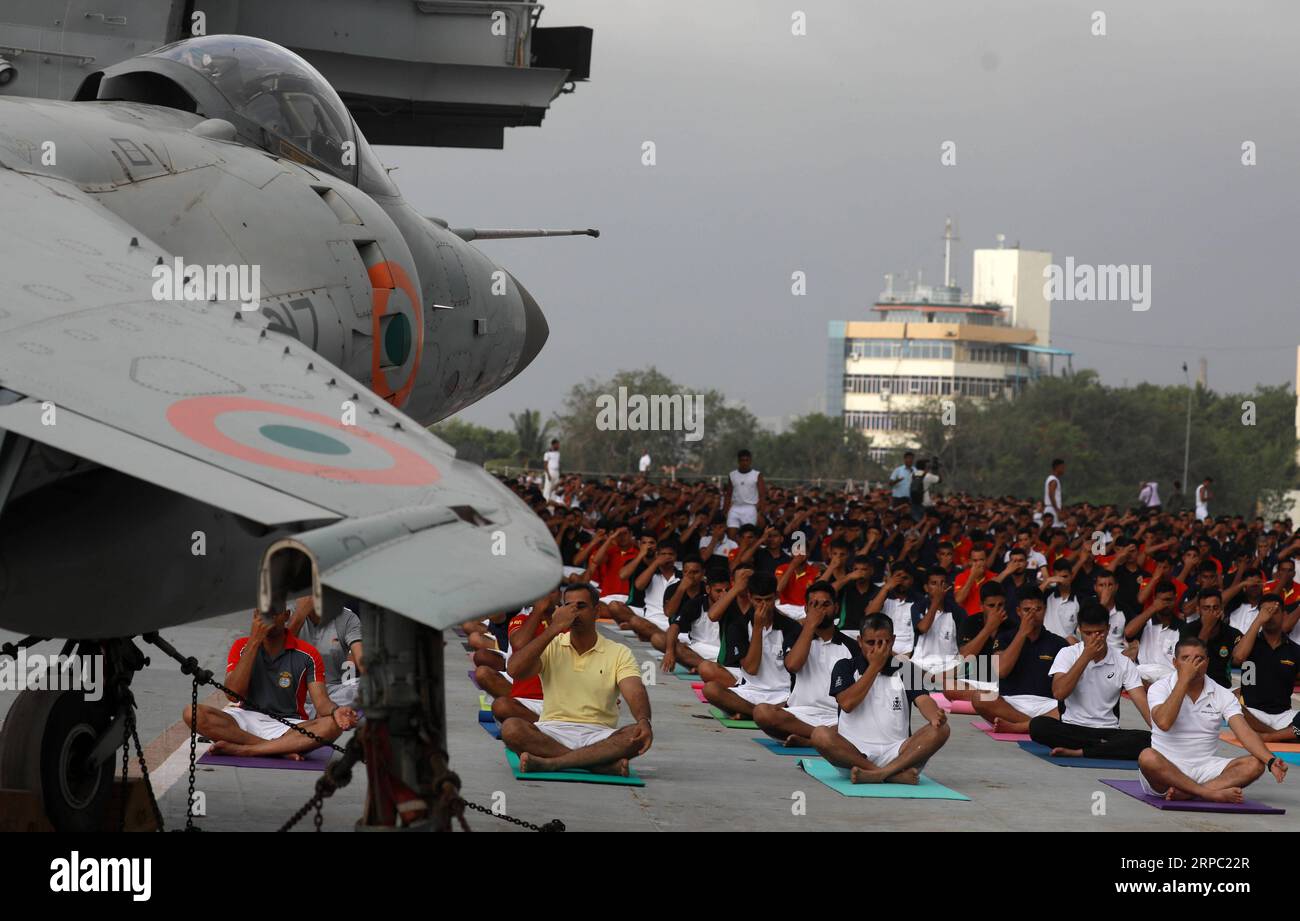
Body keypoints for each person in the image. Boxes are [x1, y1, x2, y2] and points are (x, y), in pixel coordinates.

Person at [501, 583, 652, 776]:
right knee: (511, 728)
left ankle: (552, 763)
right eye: (568, 606)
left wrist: (644, 720)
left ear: (597, 611)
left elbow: (634, 690)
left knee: (636, 734)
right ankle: (595, 764)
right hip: (552, 731)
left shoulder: (619, 651)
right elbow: (514, 670)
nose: (573, 612)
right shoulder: (551, 644)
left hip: (599, 734)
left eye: (580, 606)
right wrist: (554, 628)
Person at [183, 609, 358, 759]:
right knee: (192, 713)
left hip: (289, 724)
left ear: (286, 615)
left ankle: (248, 750)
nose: (268, 618)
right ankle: (278, 750)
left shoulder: (307, 653)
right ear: (255, 615)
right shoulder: (242, 646)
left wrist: (336, 711)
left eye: (274, 613)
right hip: (244, 718)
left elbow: (321, 703)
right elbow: (232, 694)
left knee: (332, 726)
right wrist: (254, 641)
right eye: (263, 613)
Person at [809, 613, 951, 784]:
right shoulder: (845, 666)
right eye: (870, 643)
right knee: (820, 734)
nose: (877, 649)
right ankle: (887, 775)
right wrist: (875, 667)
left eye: (883, 643)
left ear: (893, 640)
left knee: (942, 729)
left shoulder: (905, 668)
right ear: (860, 641)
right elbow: (847, 703)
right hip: (853, 758)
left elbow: (923, 700)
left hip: (898, 755)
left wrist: (935, 716)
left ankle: (880, 774)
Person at [1138, 637, 1285, 802]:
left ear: (1207, 662)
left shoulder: (1222, 694)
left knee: (1256, 764)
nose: (1193, 664)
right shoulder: (1160, 688)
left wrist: (1271, 760)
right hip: (1167, 770)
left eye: (1199, 659)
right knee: (1147, 757)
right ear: (1174, 662)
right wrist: (1184, 681)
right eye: (1186, 659)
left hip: (1205, 769)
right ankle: (1208, 793)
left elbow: (1244, 732)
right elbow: (1164, 723)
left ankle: (1190, 792)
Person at [1027, 602, 1153, 760]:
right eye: (1088, 633)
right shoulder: (1068, 654)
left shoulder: (1123, 662)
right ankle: (1101, 749)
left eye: (1099, 632)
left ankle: (1081, 752)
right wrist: (1086, 657)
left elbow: (1142, 703)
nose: (1094, 638)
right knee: (1038, 726)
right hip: (1072, 728)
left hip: (1108, 730)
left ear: (1108, 629)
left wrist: (1163, 737)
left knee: (1149, 739)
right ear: (1079, 630)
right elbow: (1059, 693)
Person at [752, 582, 856, 747]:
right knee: (762, 713)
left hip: (837, 719)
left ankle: (811, 741)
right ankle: (819, 739)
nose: (820, 609)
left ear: (836, 608)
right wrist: (810, 625)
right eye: (814, 605)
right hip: (800, 716)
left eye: (826, 604)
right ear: (806, 609)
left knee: (858, 727)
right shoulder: (795, 637)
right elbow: (793, 665)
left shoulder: (851, 645)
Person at [701, 572, 801, 720]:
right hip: (750, 692)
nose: (763, 605)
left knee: (800, 702)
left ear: (776, 597)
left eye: (768, 600)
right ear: (749, 597)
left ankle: (752, 713)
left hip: (784, 694)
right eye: (758, 600)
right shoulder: (739, 626)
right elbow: (751, 668)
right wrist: (757, 629)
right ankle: (761, 714)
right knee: (711, 690)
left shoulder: (791, 627)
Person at [972, 588, 1067, 733]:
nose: (1032, 615)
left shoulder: (1059, 643)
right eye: (1027, 610)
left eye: (1038, 609)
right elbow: (1001, 670)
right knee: (980, 698)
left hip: (1048, 706)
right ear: (1018, 611)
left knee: (1074, 708)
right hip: (1011, 703)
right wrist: (1022, 633)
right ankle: (1034, 726)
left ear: (1045, 610)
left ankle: (1019, 727)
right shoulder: (1005, 637)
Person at [1231, 594, 1300, 743]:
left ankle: (1268, 736)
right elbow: (1238, 658)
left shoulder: (1295, 650)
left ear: (1284, 615)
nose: (1270, 616)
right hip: (1251, 713)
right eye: (1265, 612)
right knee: (1232, 705)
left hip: (1284, 715)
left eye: (1274, 611)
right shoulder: (1248, 641)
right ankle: (1284, 736)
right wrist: (1258, 621)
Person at [289, 596, 364, 714]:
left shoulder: (347, 618)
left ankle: (320, 712)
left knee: (364, 688)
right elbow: (274, 655)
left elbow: (361, 658)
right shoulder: (287, 615)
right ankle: (326, 713)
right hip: (294, 690)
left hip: (334, 691)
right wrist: (299, 616)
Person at [1123, 580, 1182, 683]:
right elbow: (1128, 632)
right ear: (1154, 600)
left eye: (1169, 600)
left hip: (1169, 679)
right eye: (1161, 601)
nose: (1165, 604)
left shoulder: (1182, 626)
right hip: (1141, 675)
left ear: (1175, 599)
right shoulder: (1145, 621)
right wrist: (1153, 608)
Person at [723, 449, 766, 536]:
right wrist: (725, 511)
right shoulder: (732, 475)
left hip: (750, 508)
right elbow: (728, 495)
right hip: (735, 508)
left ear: (750, 461)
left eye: (747, 460)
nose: (744, 463)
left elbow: (762, 495)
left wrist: (761, 513)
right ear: (738, 461)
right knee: (731, 535)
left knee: (748, 536)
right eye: (742, 460)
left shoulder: (757, 475)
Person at [1044, 459, 1065, 527]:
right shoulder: (1053, 480)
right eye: (1062, 467)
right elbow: (1051, 495)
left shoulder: (1052, 479)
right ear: (1057, 467)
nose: (1064, 469)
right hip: (1052, 509)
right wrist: (1057, 511)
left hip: (1052, 508)